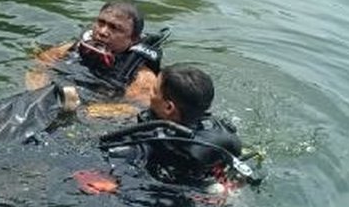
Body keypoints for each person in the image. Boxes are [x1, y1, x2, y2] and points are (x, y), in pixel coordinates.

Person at [95, 64, 257, 191]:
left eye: (154, 91)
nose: (149, 94)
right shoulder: (220, 130)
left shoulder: (151, 140)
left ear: (168, 107)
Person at [25, 0, 164, 108]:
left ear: (133, 39)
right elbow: (37, 67)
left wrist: (82, 110)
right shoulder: (69, 49)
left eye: (115, 28)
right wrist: (40, 93)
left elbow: (134, 108)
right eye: (101, 22)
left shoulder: (141, 77)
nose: (102, 32)